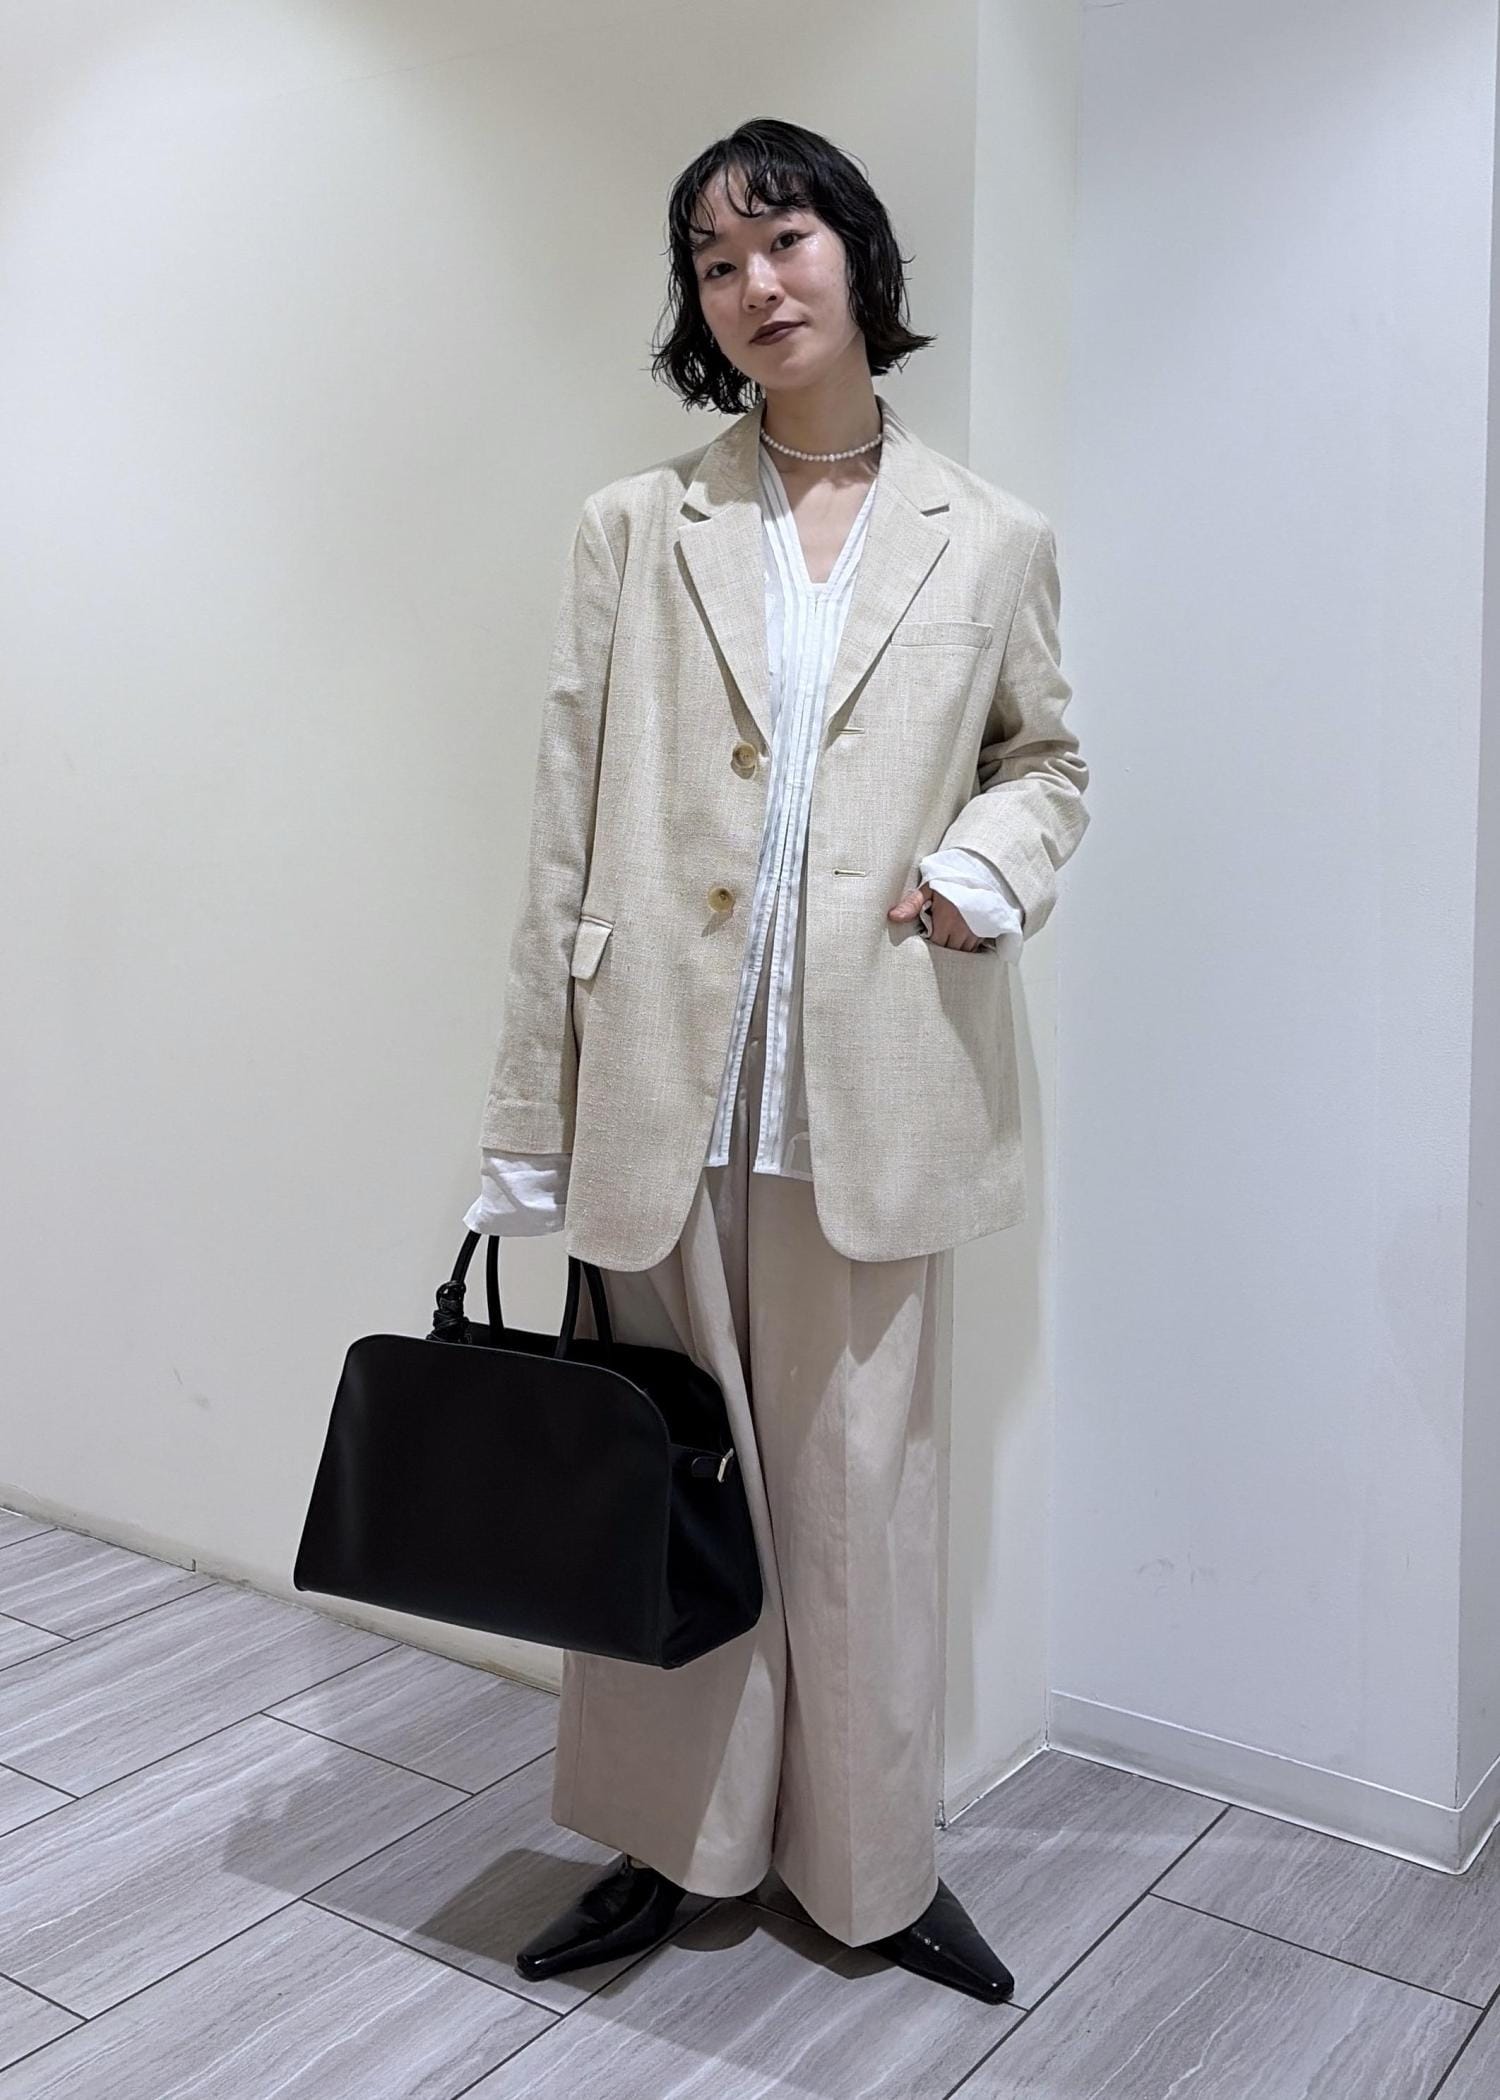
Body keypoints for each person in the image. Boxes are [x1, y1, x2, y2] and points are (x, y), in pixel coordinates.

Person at [466, 118, 1089, 2005]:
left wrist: (981, 874)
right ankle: (672, 1851)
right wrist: (530, 1118)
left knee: (857, 1509)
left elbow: (1047, 762)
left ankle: (871, 1873)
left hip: (874, 1100)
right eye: (716, 262)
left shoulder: (989, 535)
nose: (755, 284)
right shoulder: (635, 526)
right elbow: (564, 830)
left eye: (785, 240)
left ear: (857, 259)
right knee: (664, 1496)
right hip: (663, 1091)